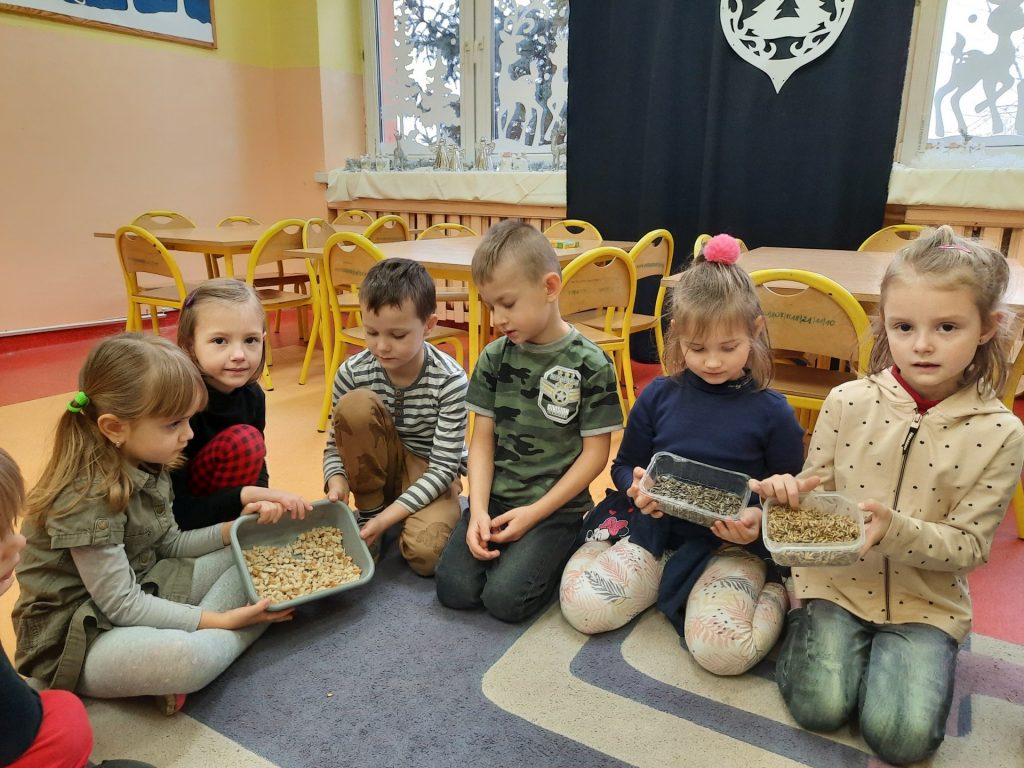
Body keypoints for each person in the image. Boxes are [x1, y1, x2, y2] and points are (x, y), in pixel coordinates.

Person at [755, 225, 1024, 764]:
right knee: (820, 708)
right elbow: (815, 494)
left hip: (927, 604)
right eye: (904, 326)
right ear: (885, 324)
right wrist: (786, 495)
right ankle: (804, 617)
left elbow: (970, 547)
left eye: (947, 326)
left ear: (987, 328)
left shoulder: (1001, 433)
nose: (921, 344)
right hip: (835, 586)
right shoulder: (846, 400)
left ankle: (904, 656)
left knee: (902, 739)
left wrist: (894, 530)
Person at [559, 233, 805, 674]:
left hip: (731, 547)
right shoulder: (658, 396)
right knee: (584, 608)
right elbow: (623, 466)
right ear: (677, 335)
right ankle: (646, 570)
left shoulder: (773, 412)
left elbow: (789, 498)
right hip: (657, 532)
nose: (712, 362)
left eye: (728, 348)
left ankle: (774, 590)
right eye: (697, 348)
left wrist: (759, 519)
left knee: (723, 652)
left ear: (755, 331)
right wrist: (635, 487)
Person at [12, 334, 293, 716]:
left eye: (189, 420)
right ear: (114, 428)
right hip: (81, 633)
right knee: (187, 659)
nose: (189, 434)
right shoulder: (87, 497)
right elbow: (122, 604)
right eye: (174, 424)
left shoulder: (151, 460)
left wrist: (234, 529)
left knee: (251, 552)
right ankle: (238, 628)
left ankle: (221, 627)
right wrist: (221, 621)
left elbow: (169, 544)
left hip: (144, 581)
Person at [434, 220, 624, 622]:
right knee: (454, 589)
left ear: (550, 288)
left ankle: (562, 544)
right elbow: (482, 440)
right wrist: (477, 510)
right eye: (491, 306)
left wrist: (534, 514)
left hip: (556, 508)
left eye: (507, 303)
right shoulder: (493, 357)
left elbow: (595, 456)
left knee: (506, 601)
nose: (498, 318)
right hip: (497, 498)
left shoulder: (591, 363)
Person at [1, 447, 157, 768]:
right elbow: (23, 724)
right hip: (63, 648)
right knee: (65, 715)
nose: (18, 541)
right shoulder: (85, 500)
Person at [323, 258, 469, 576]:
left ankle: (387, 516)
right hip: (376, 468)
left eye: (398, 335)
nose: (382, 346)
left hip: (429, 469)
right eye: (371, 332)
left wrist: (386, 520)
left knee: (429, 556)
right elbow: (335, 445)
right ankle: (371, 510)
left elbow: (444, 467)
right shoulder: (352, 372)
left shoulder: (450, 379)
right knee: (355, 405)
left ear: (429, 325)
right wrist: (336, 481)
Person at [173, 278, 311, 530]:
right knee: (244, 440)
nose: (239, 355)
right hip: (180, 509)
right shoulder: (179, 401)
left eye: (250, 340)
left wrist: (263, 497)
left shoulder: (253, 395)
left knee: (250, 443)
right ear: (191, 345)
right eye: (220, 341)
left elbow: (258, 460)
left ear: (263, 339)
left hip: (226, 496)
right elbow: (174, 499)